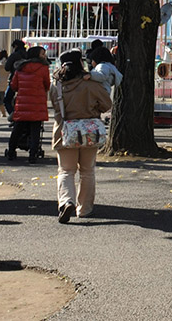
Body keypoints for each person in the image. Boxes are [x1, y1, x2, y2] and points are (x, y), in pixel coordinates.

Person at [49, 50, 112, 223]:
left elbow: (55, 107)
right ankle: (84, 209)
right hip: (89, 132)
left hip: (65, 131)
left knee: (66, 170)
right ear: (80, 63)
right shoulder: (91, 84)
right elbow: (107, 104)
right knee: (87, 171)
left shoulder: (57, 85)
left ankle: (66, 201)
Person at [8, 45, 51, 163]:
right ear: (37, 54)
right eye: (43, 54)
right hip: (37, 103)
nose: (44, 56)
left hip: (22, 103)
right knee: (35, 130)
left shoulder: (20, 67)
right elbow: (47, 84)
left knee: (17, 128)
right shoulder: (43, 68)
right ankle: (33, 154)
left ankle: (11, 151)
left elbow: (14, 86)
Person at [2, 39, 27, 118]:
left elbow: (7, 67)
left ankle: (13, 116)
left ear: (15, 46)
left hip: (14, 79)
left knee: (7, 99)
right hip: (27, 80)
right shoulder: (28, 55)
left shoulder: (14, 55)